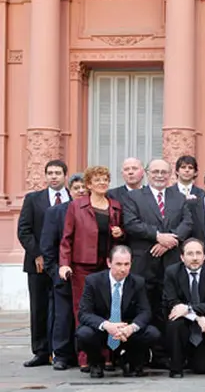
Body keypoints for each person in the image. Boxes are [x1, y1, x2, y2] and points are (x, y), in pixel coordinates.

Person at [122, 159, 193, 366]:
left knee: (167, 308)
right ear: (147, 173)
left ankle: (164, 354)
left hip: (170, 263)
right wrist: (157, 236)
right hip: (144, 262)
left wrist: (170, 240)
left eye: (164, 172)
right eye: (155, 172)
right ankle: (141, 355)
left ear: (171, 174)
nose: (160, 175)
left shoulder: (178, 197)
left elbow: (187, 222)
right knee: (144, 307)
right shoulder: (133, 196)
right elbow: (131, 224)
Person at [58, 167, 125, 369]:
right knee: (83, 310)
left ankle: (106, 355)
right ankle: (86, 358)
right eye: (97, 180)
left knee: (107, 310)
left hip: (106, 266)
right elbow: (66, 238)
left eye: (105, 179)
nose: (102, 183)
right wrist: (64, 264)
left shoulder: (115, 206)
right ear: (89, 184)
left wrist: (119, 233)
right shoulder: (76, 206)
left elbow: (122, 238)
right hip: (82, 266)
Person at [75, 246, 161, 378]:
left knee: (152, 333)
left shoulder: (138, 282)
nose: (123, 269)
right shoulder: (93, 281)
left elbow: (145, 312)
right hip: (103, 330)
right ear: (109, 263)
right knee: (84, 333)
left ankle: (131, 362)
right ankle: (96, 363)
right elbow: (84, 313)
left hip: (127, 331)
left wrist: (131, 328)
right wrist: (107, 325)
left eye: (127, 264)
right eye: (118, 264)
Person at [17, 159, 70, 367]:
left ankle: (65, 351)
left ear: (65, 175)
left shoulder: (73, 198)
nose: (54, 176)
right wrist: (38, 254)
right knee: (39, 308)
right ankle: (41, 351)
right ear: (45, 176)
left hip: (65, 265)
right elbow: (24, 230)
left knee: (63, 309)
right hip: (37, 265)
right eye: (50, 173)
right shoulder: (33, 199)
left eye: (58, 172)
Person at [40, 173, 87, 370]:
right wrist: (55, 271)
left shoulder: (96, 209)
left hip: (88, 274)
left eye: (85, 188)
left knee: (86, 315)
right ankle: (61, 356)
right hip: (64, 274)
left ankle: (84, 354)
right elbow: (47, 246)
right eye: (77, 188)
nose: (81, 191)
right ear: (70, 190)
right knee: (63, 316)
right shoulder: (56, 212)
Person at [163, 238, 205, 377]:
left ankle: (196, 357)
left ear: (204, 256)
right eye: (190, 254)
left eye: (198, 253)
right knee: (174, 322)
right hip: (184, 324)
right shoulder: (172, 272)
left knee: (202, 368)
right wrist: (196, 316)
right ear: (182, 257)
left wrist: (189, 309)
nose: (195, 258)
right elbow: (172, 303)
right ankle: (176, 366)